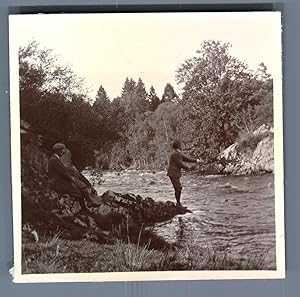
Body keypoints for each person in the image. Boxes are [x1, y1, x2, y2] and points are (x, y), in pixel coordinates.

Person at [48, 143, 99, 210]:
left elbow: (63, 172)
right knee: (78, 192)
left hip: (58, 182)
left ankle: (87, 204)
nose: (63, 153)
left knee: (79, 187)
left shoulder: (53, 159)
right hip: (58, 184)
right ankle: (85, 206)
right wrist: (71, 179)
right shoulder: (55, 160)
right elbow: (63, 172)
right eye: (62, 151)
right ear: (58, 151)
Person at [167, 140, 201, 206]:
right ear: (178, 146)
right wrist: (189, 168)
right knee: (178, 188)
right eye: (180, 145)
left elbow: (186, 159)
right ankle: (178, 203)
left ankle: (178, 203)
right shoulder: (175, 154)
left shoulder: (178, 153)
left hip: (175, 173)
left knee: (178, 188)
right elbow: (180, 164)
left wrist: (196, 161)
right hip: (173, 173)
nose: (181, 146)